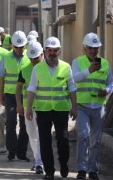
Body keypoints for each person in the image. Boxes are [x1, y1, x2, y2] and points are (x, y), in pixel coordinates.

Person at [26, 37, 77, 180]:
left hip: (61, 110)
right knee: (45, 141)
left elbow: (72, 88)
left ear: (59, 51)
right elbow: (32, 89)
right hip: (43, 110)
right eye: (50, 50)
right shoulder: (37, 68)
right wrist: (28, 108)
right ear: (45, 51)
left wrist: (74, 107)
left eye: (55, 50)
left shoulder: (66, 67)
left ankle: (64, 163)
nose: (52, 53)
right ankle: (49, 170)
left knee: (63, 139)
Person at [72, 33, 113, 180]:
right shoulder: (77, 62)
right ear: (85, 48)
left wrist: (107, 90)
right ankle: (82, 169)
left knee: (96, 140)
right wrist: (88, 71)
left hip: (98, 106)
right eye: (90, 48)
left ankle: (93, 170)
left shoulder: (105, 63)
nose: (93, 51)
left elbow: (111, 82)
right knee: (83, 135)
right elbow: (73, 78)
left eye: (96, 48)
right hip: (82, 105)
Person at [0, 31, 30, 161]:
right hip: (10, 95)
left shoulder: (29, 56)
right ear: (12, 45)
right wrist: (1, 95)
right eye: (16, 47)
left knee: (25, 123)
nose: (18, 49)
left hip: (25, 95)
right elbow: (1, 77)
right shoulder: (6, 57)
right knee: (11, 121)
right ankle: (11, 150)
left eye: (21, 47)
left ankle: (21, 152)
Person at [16, 41, 44, 174]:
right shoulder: (25, 69)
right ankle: (38, 159)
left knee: (41, 134)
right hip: (29, 107)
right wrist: (19, 104)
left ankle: (39, 162)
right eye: (31, 59)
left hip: (44, 107)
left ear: (42, 55)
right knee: (32, 134)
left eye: (36, 58)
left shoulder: (47, 68)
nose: (33, 61)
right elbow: (18, 88)